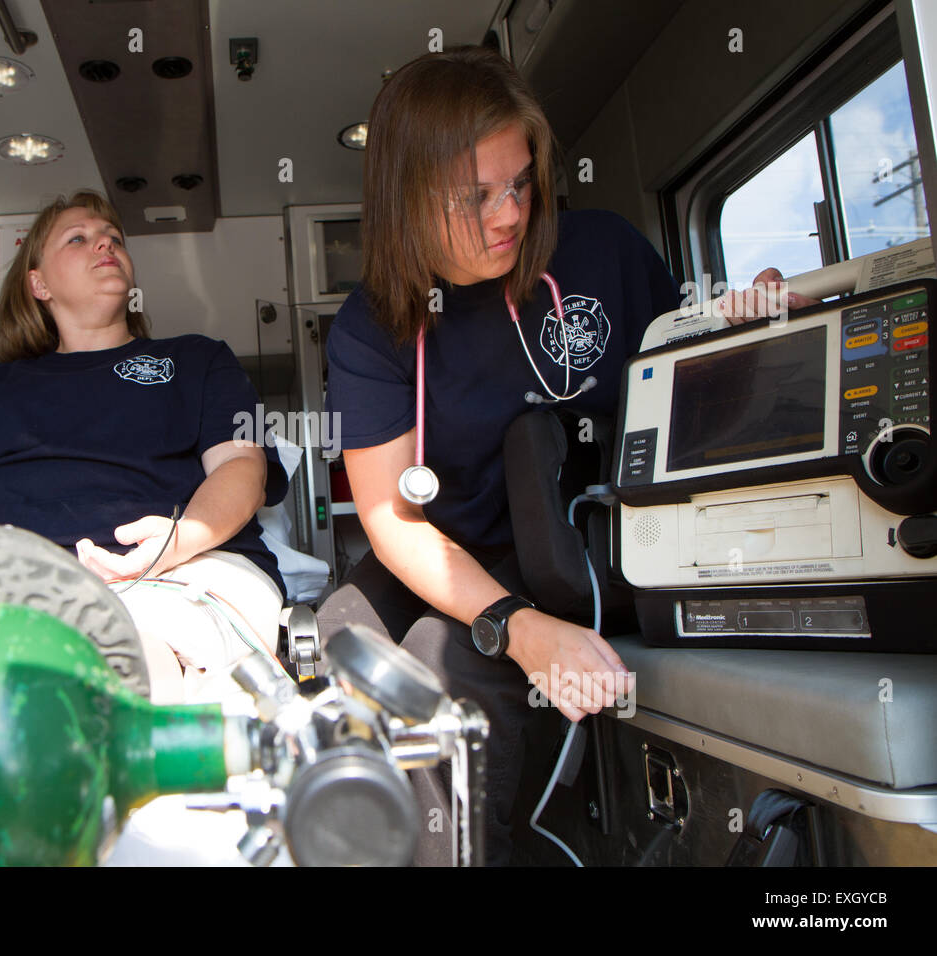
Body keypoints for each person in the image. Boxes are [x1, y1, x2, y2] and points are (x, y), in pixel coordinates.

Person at [316, 46, 810, 865]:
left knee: (451, 671)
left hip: (585, 539)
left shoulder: (603, 250)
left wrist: (740, 326)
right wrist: (515, 627)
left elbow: (676, 361)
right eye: (475, 196)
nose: (510, 214)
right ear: (405, 198)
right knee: (347, 635)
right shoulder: (372, 328)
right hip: (459, 551)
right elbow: (392, 518)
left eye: (520, 183)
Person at [0, 190, 288, 703]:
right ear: (38, 284)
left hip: (180, 573)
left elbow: (242, 466)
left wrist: (179, 540)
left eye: (114, 239)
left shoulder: (199, 360)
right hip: (12, 588)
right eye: (78, 239)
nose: (105, 244)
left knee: (125, 665)